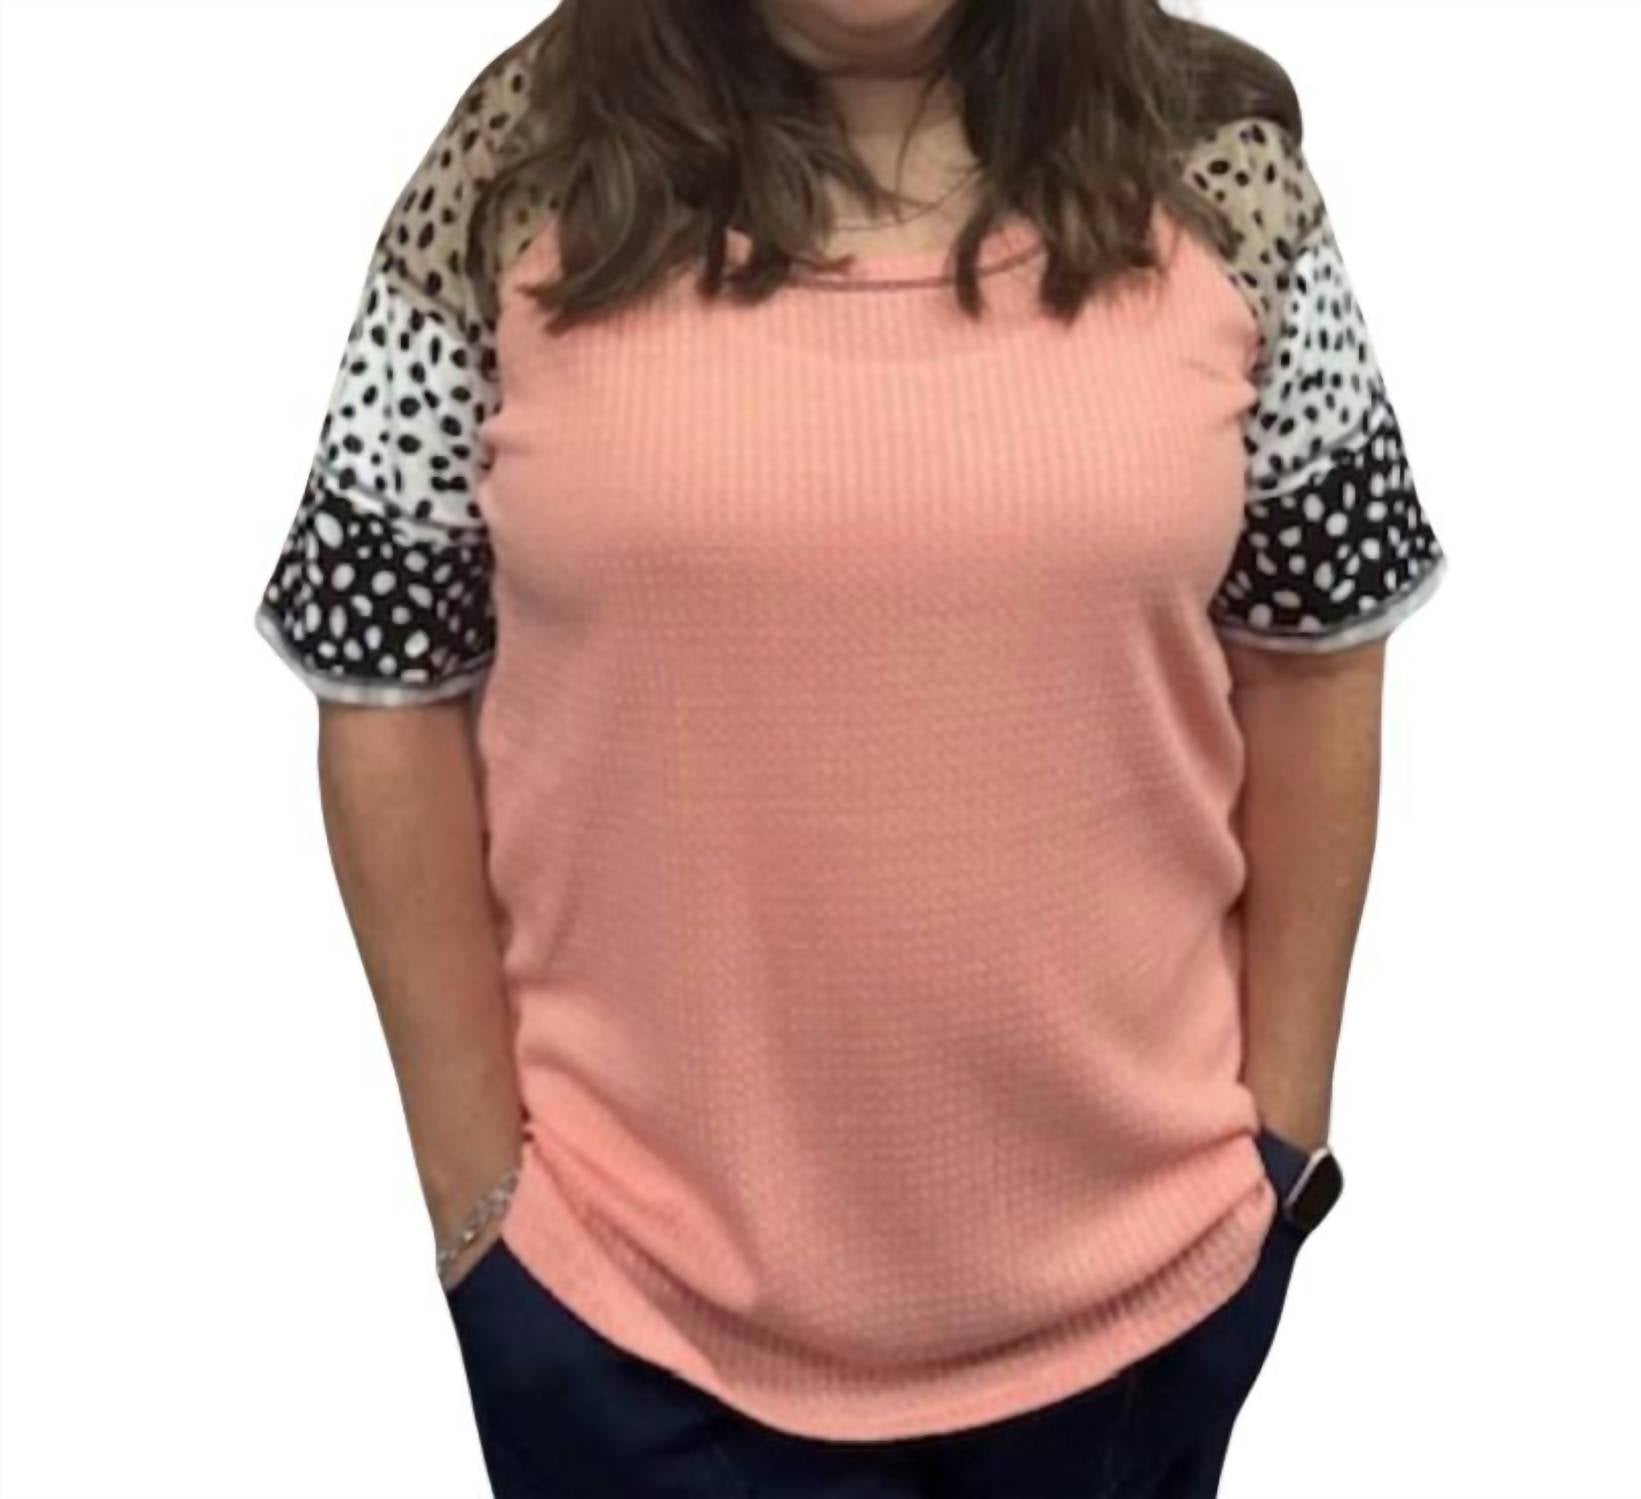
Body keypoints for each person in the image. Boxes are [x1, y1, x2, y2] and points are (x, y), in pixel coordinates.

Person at [251, 2, 1446, 1494]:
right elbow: (381, 685)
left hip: (1145, 1315)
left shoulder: (1218, 170)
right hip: (622, 1338)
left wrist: (1280, 1141)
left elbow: (1316, 650)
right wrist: (479, 1212)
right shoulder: (516, 167)